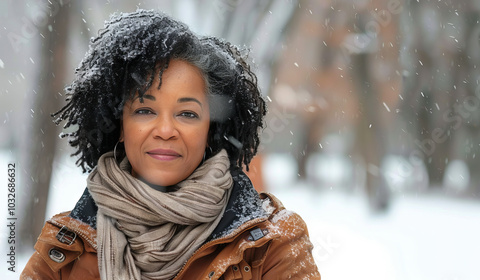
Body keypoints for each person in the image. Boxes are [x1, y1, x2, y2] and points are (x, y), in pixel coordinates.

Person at [21, 9, 320, 280]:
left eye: (187, 114)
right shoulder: (63, 248)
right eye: (145, 111)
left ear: (209, 129)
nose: (165, 130)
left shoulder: (272, 244)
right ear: (121, 126)